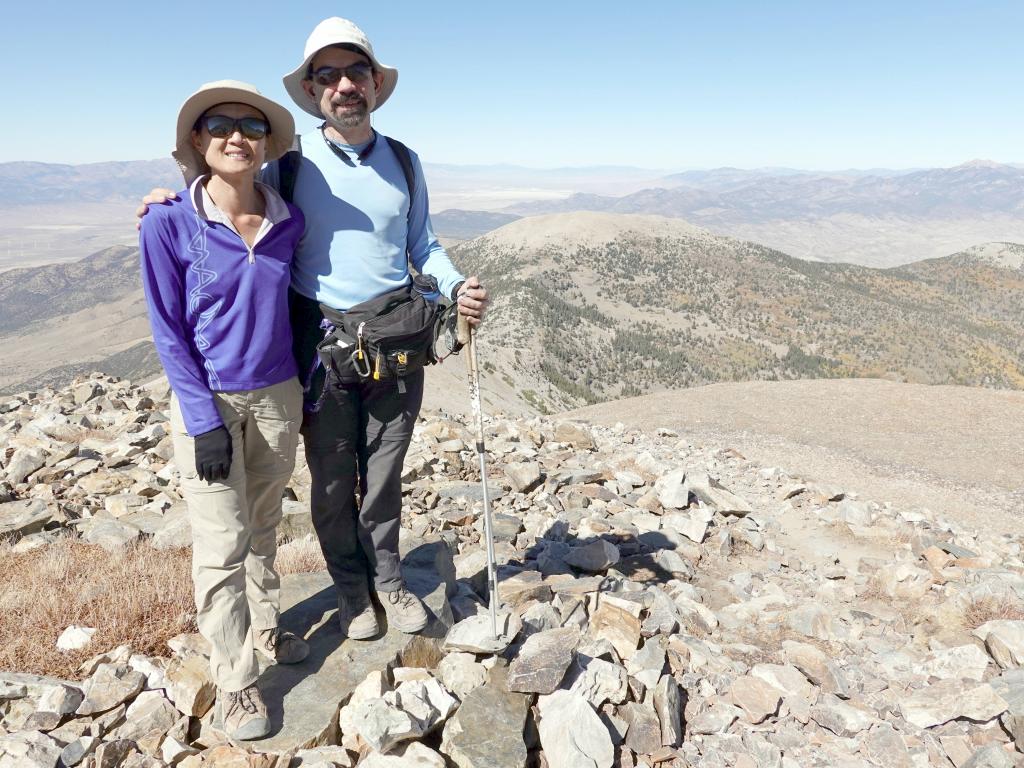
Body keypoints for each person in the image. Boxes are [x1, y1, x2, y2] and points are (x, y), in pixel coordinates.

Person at [140, 18, 488, 641]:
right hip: (320, 351)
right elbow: (229, 200)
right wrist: (172, 198)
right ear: (311, 90)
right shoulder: (291, 166)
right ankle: (352, 592)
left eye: (355, 72)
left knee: (383, 477)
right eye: (327, 75)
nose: (344, 85)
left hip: (395, 345)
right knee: (330, 482)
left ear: (377, 83)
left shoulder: (404, 162)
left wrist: (455, 284)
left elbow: (422, 243)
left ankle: (388, 581)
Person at [139, 80, 309, 741]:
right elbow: (167, 328)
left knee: (264, 524)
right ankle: (236, 682)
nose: (236, 134)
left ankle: (264, 626)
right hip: (208, 399)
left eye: (250, 125)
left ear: (267, 145)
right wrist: (203, 419)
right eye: (219, 124)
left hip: (278, 395)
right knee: (220, 542)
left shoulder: (287, 219)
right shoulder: (166, 221)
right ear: (197, 141)